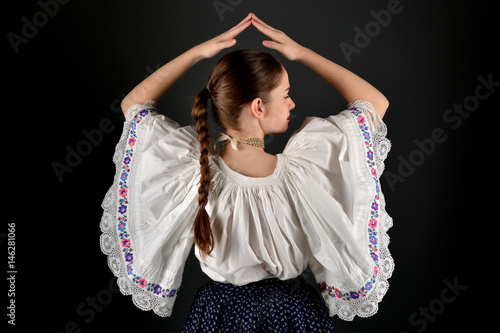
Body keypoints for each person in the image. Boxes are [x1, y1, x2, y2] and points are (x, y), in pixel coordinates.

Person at [99, 13, 394, 332]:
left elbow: (134, 105)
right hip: (291, 313)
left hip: (219, 314)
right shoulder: (301, 169)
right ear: (258, 107)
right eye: (285, 94)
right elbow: (373, 103)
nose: (292, 103)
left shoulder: (194, 169)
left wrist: (198, 52)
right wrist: (301, 52)